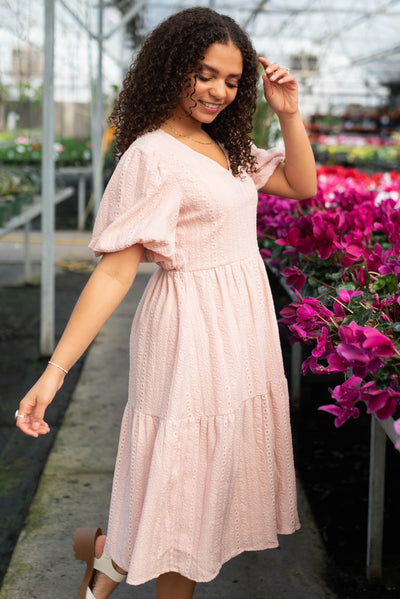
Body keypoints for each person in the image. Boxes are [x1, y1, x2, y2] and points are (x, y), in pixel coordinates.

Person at [16, 6, 316, 599]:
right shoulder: (151, 155)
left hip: (241, 326)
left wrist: (289, 116)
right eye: (204, 74)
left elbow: (302, 186)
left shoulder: (225, 144)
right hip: (189, 330)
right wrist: (54, 373)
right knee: (185, 482)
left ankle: (105, 557)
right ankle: (109, 560)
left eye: (232, 81)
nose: (217, 92)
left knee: (207, 480)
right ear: (172, 67)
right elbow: (113, 274)